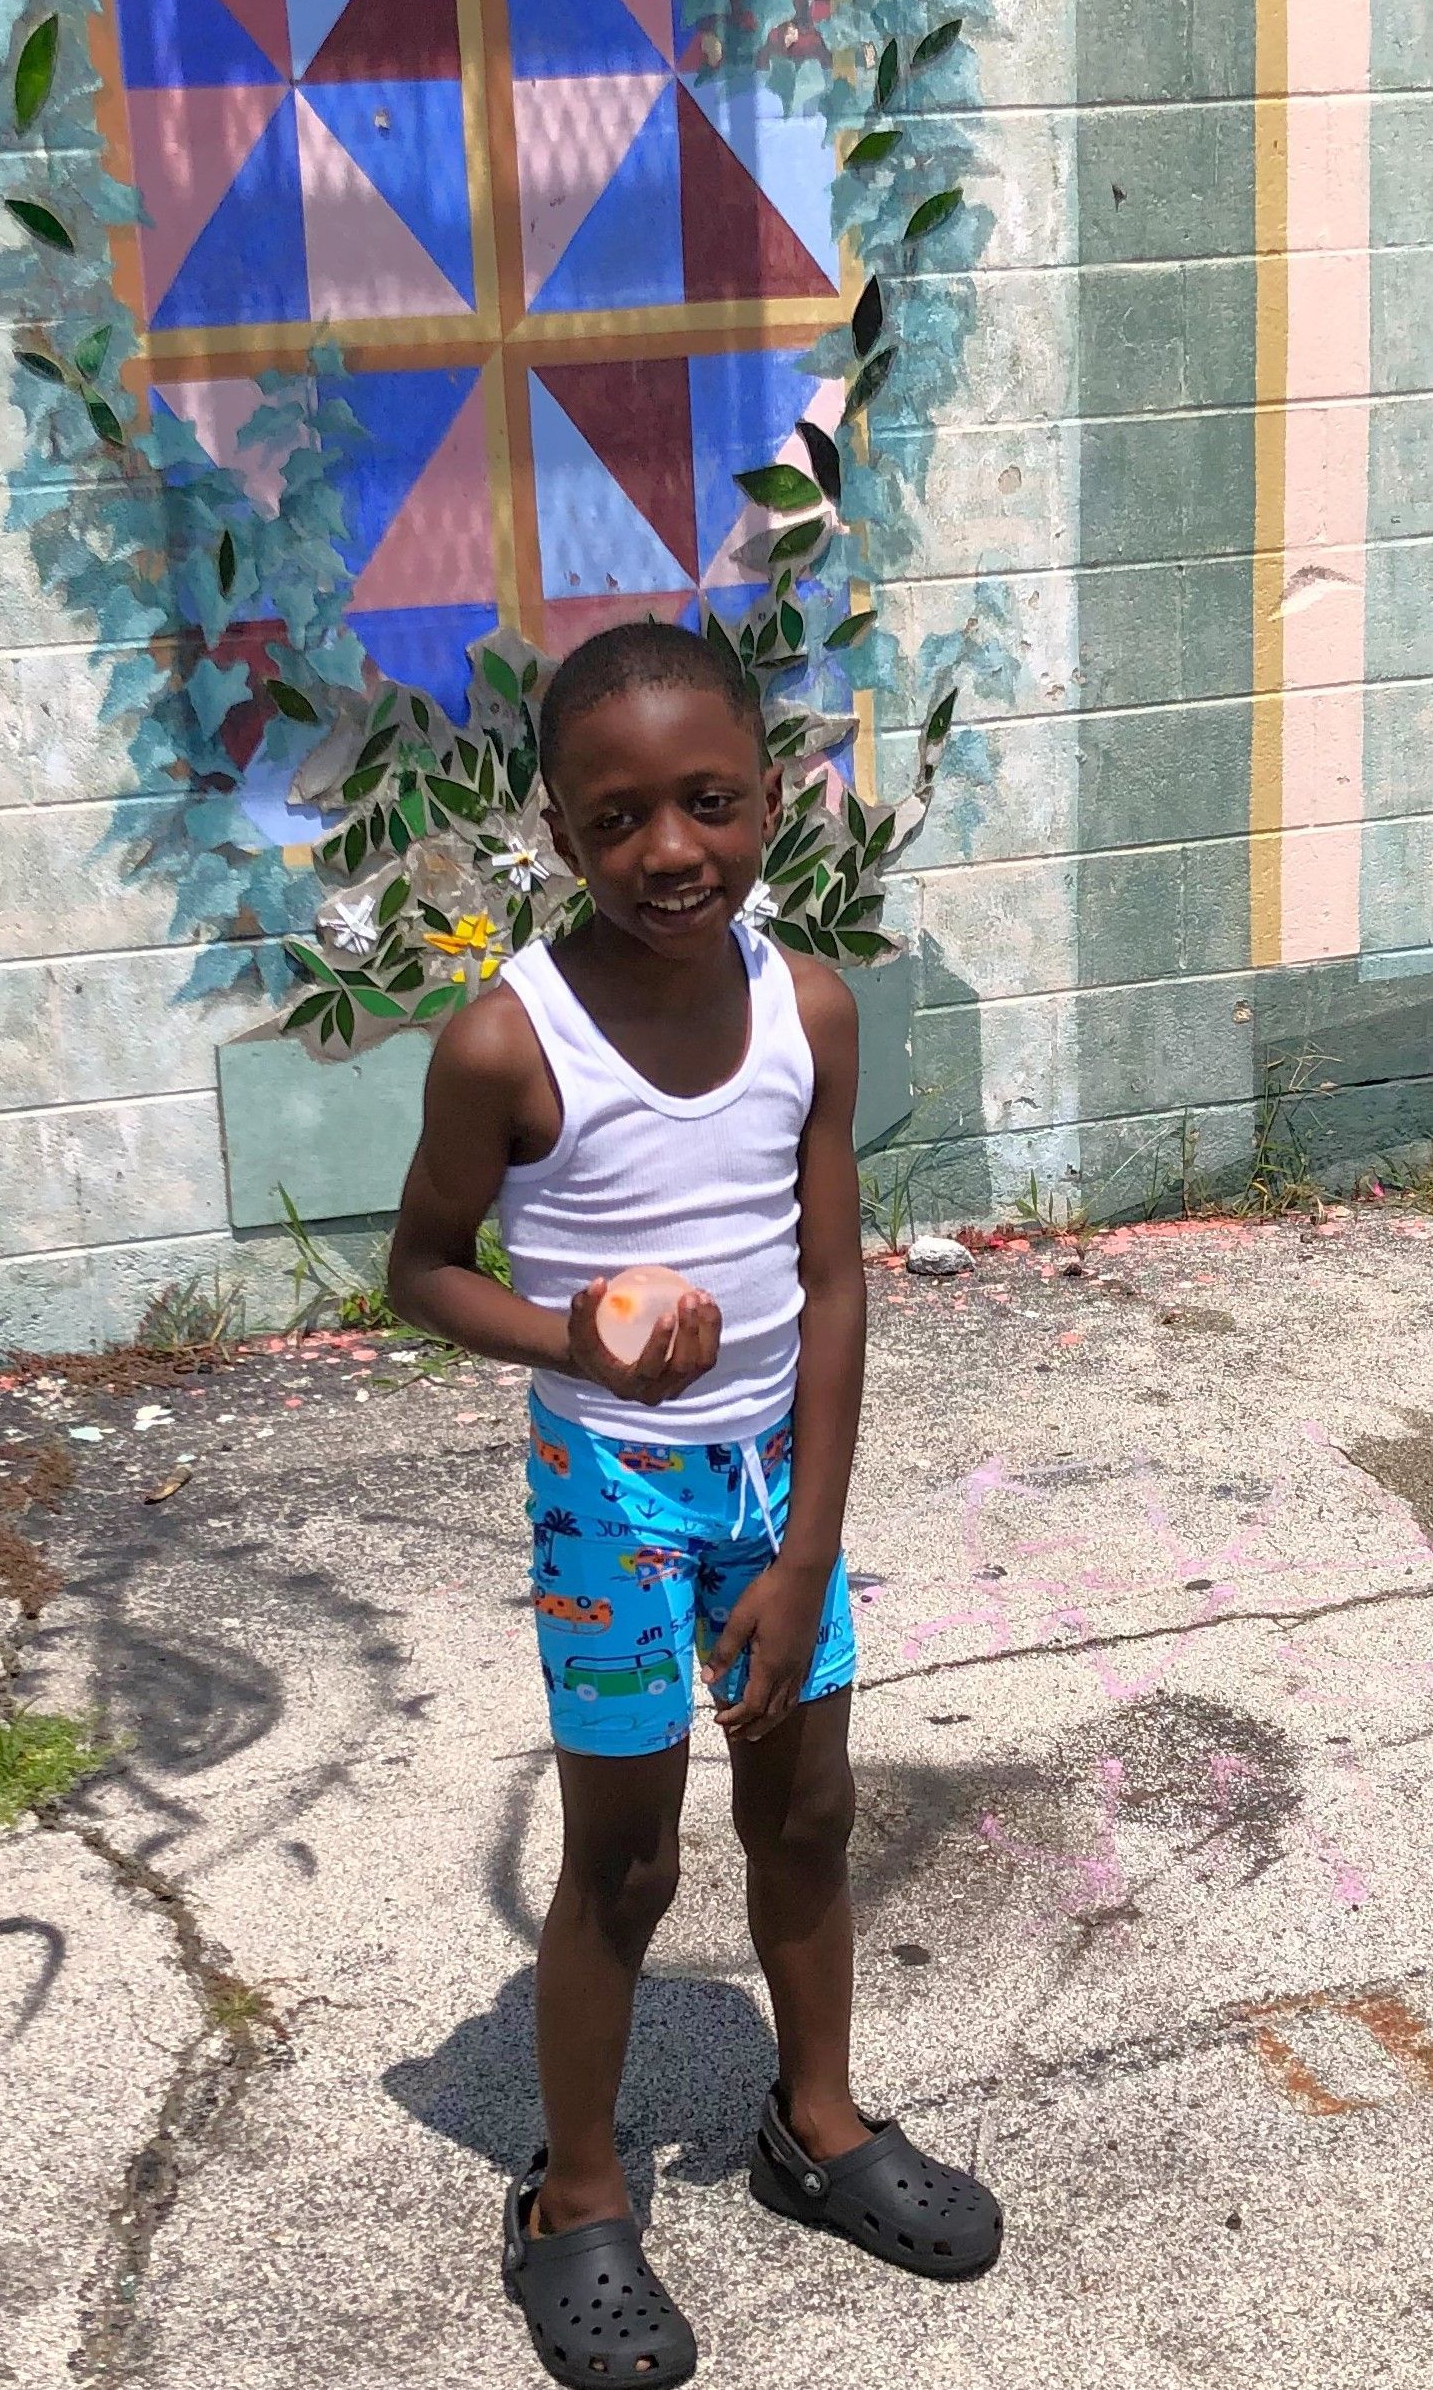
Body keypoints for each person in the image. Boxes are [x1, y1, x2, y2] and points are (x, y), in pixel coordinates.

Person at [389, 622, 1002, 2387]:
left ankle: (814, 2127)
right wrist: (568, 1333)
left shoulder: (806, 1006)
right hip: (609, 1490)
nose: (674, 849)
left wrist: (807, 1549)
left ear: (769, 796)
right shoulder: (512, 1042)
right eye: (621, 817)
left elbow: (834, 1290)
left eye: (712, 802)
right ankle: (574, 2198)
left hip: (771, 1488)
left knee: (806, 1814)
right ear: (565, 835)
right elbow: (420, 1269)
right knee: (629, 1862)